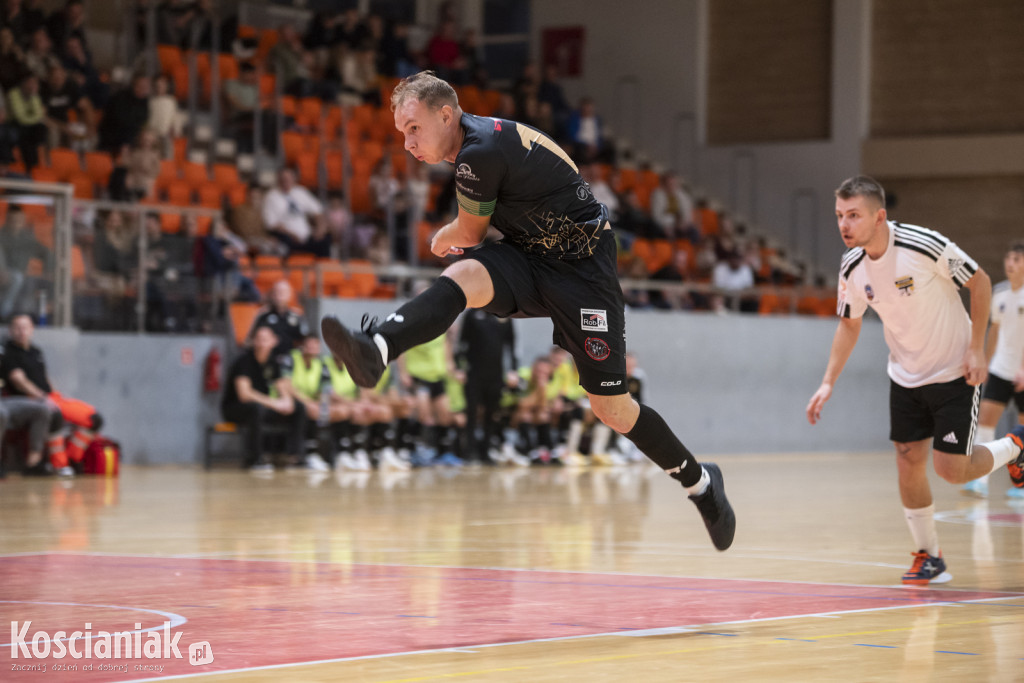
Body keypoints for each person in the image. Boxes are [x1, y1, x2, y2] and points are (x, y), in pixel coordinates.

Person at [321, 71, 735, 551]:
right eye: (401, 133)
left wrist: (442, 235)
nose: (408, 142)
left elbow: (469, 235)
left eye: (413, 128)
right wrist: (457, 237)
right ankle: (377, 347)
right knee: (464, 278)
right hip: (532, 255)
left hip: (583, 271)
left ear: (445, 114)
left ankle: (701, 482)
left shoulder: (478, 153)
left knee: (612, 408)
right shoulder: (475, 146)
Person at [806, 175, 1024, 585]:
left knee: (951, 471)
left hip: (955, 370)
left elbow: (977, 283)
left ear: (879, 215)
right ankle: (930, 555)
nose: (844, 225)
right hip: (905, 375)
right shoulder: (851, 266)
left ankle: (1015, 447)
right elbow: (849, 326)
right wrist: (828, 381)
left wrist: (977, 348)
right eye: (839, 216)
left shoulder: (923, 244)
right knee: (908, 462)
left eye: (854, 215)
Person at [2, 313, 105, 475]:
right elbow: (18, 380)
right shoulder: (8, 352)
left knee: (94, 419)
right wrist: (41, 397)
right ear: (11, 330)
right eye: (17, 328)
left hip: (51, 396)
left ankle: (73, 458)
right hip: (29, 399)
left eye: (25, 327)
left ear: (32, 330)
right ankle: (60, 465)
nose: (21, 332)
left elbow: (45, 377)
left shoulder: (36, 351)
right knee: (53, 414)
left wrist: (55, 394)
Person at [962, 242, 1024, 499]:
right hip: (1000, 369)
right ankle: (980, 481)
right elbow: (995, 332)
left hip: (1022, 372)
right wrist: (984, 363)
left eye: (1017, 259)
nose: (1011, 263)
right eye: (1009, 258)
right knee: (985, 422)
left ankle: (1021, 484)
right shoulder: (998, 293)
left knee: (1022, 432)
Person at [221, 324, 306, 471]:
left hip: (262, 407)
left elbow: (282, 385)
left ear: (274, 341)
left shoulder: (273, 362)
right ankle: (256, 459)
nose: (262, 343)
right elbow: (244, 395)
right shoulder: (244, 362)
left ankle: (293, 456)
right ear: (253, 341)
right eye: (258, 339)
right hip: (235, 409)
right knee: (256, 409)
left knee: (298, 408)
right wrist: (274, 403)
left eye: (265, 339)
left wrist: (287, 401)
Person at [262, 167, 331, 258]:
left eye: (289, 178)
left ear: (294, 179)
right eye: (284, 178)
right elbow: (272, 224)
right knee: (284, 242)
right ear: (279, 179)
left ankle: (323, 270)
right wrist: (292, 235)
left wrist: (320, 229)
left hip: (307, 236)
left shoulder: (301, 192)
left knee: (325, 238)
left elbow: (318, 212)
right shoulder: (271, 196)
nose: (286, 181)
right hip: (286, 236)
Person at [246, 279, 308, 360]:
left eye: (283, 292)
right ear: (272, 294)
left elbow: (305, 341)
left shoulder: (297, 316)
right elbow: (250, 340)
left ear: (290, 295)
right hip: (268, 360)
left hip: (291, 360)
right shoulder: (263, 315)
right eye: (277, 291)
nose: (280, 294)